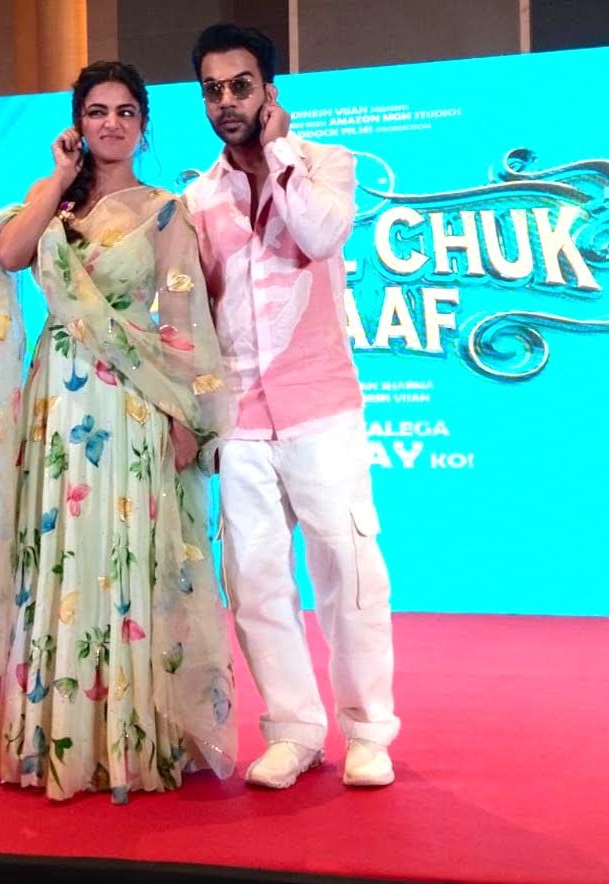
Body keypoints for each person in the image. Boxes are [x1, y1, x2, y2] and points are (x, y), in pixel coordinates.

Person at [0, 60, 236, 803]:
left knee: (120, 552)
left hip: (130, 406)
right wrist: (58, 177)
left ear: (143, 125)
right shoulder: (51, 209)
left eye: (125, 112)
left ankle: (128, 742)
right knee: (60, 556)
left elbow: (182, 321)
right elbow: (8, 255)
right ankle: (55, 734)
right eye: (97, 111)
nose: (111, 124)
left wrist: (184, 416)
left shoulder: (165, 211)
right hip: (57, 411)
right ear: (77, 123)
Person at [184, 24, 399, 789]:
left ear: (269, 92)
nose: (226, 101)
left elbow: (321, 233)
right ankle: (295, 728)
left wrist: (278, 155)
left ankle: (367, 731)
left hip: (320, 407)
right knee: (256, 581)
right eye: (213, 89)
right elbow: (200, 313)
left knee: (349, 570)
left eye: (240, 86)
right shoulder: (198, 197)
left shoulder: (324, 164)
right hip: (240, 418)